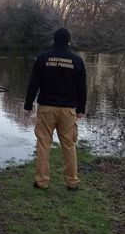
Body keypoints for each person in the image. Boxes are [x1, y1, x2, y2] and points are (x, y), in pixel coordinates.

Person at [24, 28, 87, 191]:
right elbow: (82, 88)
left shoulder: (43, 57)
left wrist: (28, 105)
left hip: (46, 108)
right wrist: (81, 108)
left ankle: (42, 182)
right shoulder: (77, 60)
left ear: (53, 40)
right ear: (69, 41)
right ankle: (72, 182)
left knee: (43, 144)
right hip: (68, 110)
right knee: (69, 145)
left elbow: (34, 83)